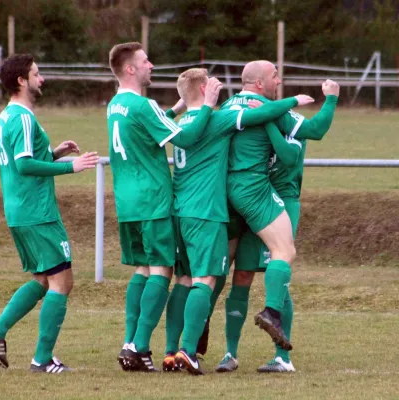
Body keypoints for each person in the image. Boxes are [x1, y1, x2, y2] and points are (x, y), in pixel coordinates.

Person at [161, 68, 313, 375]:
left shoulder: (175, 124)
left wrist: (180, 104)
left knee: (185, 281)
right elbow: (262, 116)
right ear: (206, 90)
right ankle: (189, 350)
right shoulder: (217, 119)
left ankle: (171, 350)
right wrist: (295, 99)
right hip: (209, 212)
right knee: (207, 281)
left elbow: (159, 120)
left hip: (179, 210)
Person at [0, 53, 100, 374]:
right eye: (36, 73)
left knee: (43, 279)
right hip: (37, 212)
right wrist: (70, 166)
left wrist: (55, 153)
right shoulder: (22, 117)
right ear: (21, 81)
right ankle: (42, 360)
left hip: (20, 210)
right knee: (62, 282)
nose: (41, 78)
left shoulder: (7, 116)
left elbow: (27, 157)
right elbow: (24, 164)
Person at [214, 67, 340, 373]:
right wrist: (329, 99)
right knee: (245, 274)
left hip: (282, 197)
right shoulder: (259, 109)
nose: (279, 80)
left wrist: (269, 117)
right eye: (275, 75)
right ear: (260, 83)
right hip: (258, 197)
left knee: (275, 275)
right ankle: (230, 353)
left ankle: (282, 357)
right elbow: (314, 129)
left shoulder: (257, 110)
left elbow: (291, 154)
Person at [106, 42, 222, 372]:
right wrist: (208, 107)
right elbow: (184, 139)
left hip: (127, 201)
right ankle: (139, 347)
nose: (151, 65)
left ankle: (130, 342)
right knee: (162, 271)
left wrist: (177, 108)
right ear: (130, 69)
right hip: (153, 199)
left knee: (142, 270)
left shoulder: (116, 105)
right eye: (145, 61)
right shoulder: (143, 105)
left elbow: (150, 128)